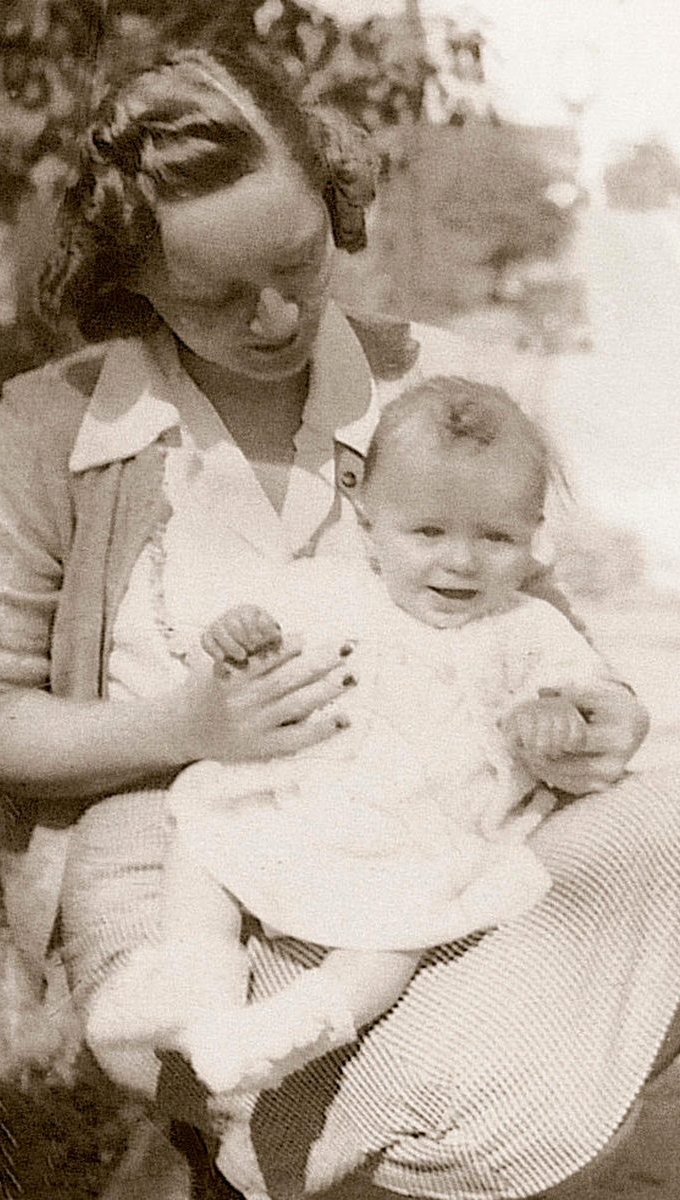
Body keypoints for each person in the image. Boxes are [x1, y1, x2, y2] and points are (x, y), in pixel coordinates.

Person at [0, 43, 680, 1200]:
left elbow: (541, 621)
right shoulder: (53, 431)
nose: (276, 317)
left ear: (334, 203)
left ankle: (292, 1135)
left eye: (299, 262)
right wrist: (185, 726)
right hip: (181, 841)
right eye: (214, 296)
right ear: (132, 281)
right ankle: (267, 1122)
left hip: (437, 814)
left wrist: (596, 721)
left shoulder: (444, 386)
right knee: (395, 1076)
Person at [87, 378, 625, 1117]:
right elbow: (252, 640)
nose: (460, 563)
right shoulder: (328, 589)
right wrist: (239, 635)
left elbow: (586, 691)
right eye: (428, 533)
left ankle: (298, 1028)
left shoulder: (529, 628)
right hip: (303, 802)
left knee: (401, 934)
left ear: (533, 536)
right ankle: (195, 988)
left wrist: (557, 714)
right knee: (205, 840)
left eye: (496, 538)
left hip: (423, 835)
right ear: (369, 523)